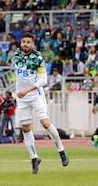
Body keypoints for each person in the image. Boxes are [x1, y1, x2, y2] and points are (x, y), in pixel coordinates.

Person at [13, 33, 69, 174]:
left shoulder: (38, 58)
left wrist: (27, 90)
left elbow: (43, 81)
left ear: (32, 44)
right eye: (23, 42)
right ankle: (34, 158)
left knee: (45, 123)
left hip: (35, 95)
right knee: (25, 128)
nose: (25, 44)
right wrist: (19, 91)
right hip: (22, 97)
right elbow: (20, 76)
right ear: (21, 44)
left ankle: (61, 150)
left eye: (28, 42)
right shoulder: (16, 55)